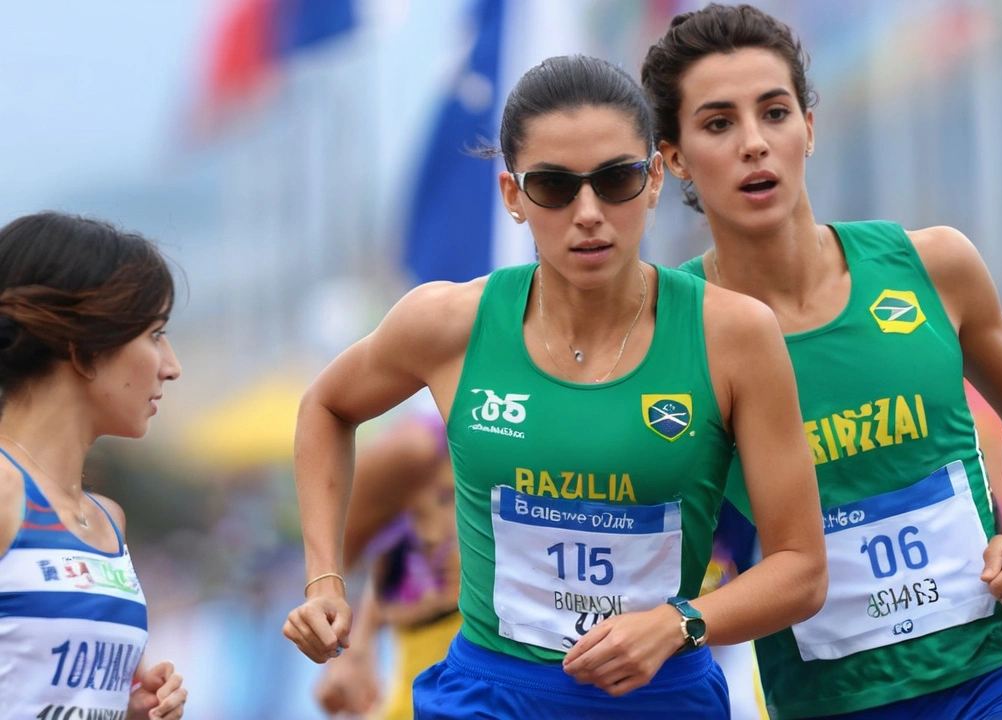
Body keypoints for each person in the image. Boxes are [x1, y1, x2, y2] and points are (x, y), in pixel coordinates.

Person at [282, 54, 827, 720]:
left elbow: (801, 568)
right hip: (488, 697)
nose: (589, 212)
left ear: (654, 178)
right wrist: (323, 579)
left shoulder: (733, 334)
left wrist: (678, 623)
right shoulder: (448, 322)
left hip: (661, 700)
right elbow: (327, 406)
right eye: (554, 187)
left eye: (616, 179)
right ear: (513, 196)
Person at [641, 5, 1002, 719]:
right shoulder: (671, 336)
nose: (755, 143)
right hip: (829, 700)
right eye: (719, 124)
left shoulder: (932, 265)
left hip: (995, 672)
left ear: (810, 128)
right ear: (675, 159)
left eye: (775, 113)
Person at [0, 212, 188, 720]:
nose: (171, 366)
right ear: (83, 350)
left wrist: (130, 709)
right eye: (154, 333)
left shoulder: (108, 520)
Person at [315, 414, 462, 720]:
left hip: (482, 649)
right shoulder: (416, 445)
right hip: (421, 656)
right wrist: (355, 650)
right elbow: (375, 550)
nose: (435, 533)